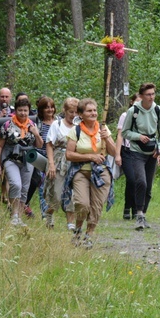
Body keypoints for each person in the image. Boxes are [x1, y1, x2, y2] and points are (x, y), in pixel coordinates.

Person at [64, 98, 115, 248]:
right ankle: (78, 229)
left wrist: (107, 139)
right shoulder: (76, 130)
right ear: (81, 114)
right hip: (81, 170)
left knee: (96, 205)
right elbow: (69, 154)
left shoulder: (103, 129)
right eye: (89, 111)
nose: (93, 113)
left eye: (94, 110)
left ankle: (89, 235)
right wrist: (90, 156)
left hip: (101, 171)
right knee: (82, 203)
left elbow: (112, 152)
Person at [122, 83, 160, 230]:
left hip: (152, 152)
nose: (151, 97)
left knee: (148, 185)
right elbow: (125, 132)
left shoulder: (158, 109)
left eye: (153, 94)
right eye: (148, 94)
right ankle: (139, 214)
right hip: (136, 151)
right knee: (140, 181)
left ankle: (143, 214)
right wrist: (138, 136)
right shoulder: (133, 111)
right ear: (141, 96)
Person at [0, 98, 43, 226]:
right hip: (11, 158)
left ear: (29, 111)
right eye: (20, 110)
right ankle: (14, 214)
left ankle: (19, 217)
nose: (23, 113)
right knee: (16, 184)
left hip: (28, 160)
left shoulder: (33, 125)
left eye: (25, 110)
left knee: (25, 188)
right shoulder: (7, 125)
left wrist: (36, 134)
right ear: (15, 111)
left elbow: (39, 145)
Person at [44, 97, 78, 231]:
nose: (73, 115)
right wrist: (51, 164)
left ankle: (71, 222)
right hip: (58, 161)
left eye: (76, 112)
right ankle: (49, 212)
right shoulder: (56, 124)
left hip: (74, 161)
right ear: (64, 110)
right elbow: (49, 144)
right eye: (71, 112)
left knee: (73, 193)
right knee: (57, 193)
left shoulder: (79, 126)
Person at [115, 94, 140, 220]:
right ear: (132, 102)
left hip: (140, 151)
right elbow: (120, 135)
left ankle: (134, 208)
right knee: (131, 179)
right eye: (137, 101)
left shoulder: (146, 116)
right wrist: (117, 154)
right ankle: (127, 206)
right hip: (127, 150)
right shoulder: (125, 116)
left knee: (138, 180)